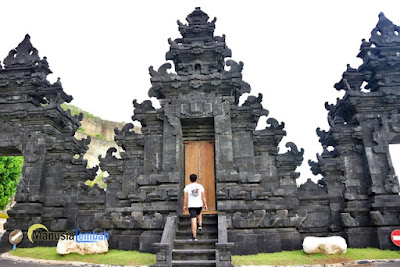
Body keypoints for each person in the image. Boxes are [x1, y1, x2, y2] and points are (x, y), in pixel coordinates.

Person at [183, 174, 207, 241]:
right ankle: (200, 225)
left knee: (193, 220)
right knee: (199, 213)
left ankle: (194, 236)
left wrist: (184, 205)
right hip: (199, 204)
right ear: (196, 179)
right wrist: (205, 204)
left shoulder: (187, 187)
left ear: (190, 179)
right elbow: (203, 196)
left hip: (191, 205)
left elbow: (185, 197)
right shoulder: (200, 186)